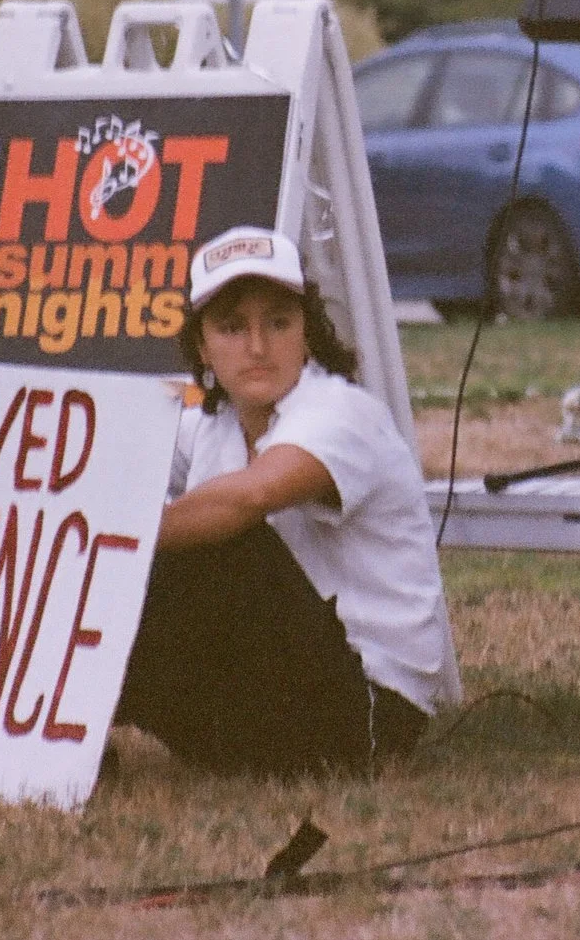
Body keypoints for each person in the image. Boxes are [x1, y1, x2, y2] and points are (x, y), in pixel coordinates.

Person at [112, 225, 460, 778]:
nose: (257, 346)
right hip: (275, 695)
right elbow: (112, 456)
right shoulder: (211, 426)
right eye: (232, 327)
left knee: (217, 540)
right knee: (126, 558)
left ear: (307, 332)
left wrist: (101, 538)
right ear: (202, 346)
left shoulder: (341, 412)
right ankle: (56, 739)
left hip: (368, 716)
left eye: (278, 322)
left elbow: (253, 495)